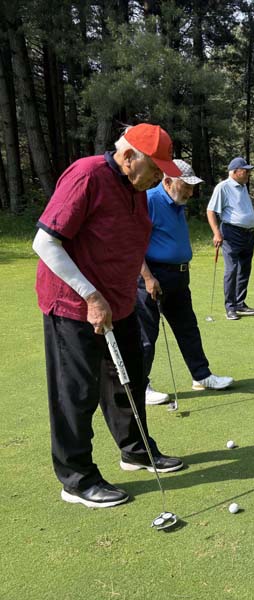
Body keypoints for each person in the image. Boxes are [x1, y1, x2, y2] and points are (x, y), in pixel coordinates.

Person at [32, 123, 185, 509]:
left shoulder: (136, 188)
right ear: (129, 156)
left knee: (128, 380)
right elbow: (45, 242)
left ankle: (135, 451)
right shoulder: (87, 175)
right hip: (74, 306)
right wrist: (91, 296)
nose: (159, 177)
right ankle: (76, 479)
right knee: (76, 393)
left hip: (120, 304)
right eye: (155, 168)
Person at [136, 159, 234, 405]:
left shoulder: (177, 202)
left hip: (179, 276)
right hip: (154, 277)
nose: (191, 192)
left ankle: (201, 376)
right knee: (147, 335)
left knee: (188, 328)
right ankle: (140, 386)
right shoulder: (149, 200)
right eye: (186, 186)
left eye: (192, 187)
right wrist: (147, 277)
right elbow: (131, 245)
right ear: (167, 181)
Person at [206, 157, 254, 321]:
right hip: (231, 233)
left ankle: (240, 303)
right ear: (235, 172)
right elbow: (211, 211)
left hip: (248, 233)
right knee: (232, 269)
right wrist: (216, 233)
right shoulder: (223, 187)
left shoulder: (242, 187)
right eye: (245, 170)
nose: (248, 173)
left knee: (244, 269)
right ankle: (230, 307)